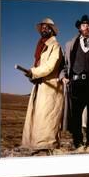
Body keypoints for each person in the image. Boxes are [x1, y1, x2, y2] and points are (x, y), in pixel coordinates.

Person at [60, 14, 89, 150]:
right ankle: (77, 141)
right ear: (79, 28)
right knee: (76, 114)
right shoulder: (69, 45)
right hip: (75, 83)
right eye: (84, 25)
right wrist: (63, 77)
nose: (87, 27)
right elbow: (63, 65)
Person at [21, 18, 64, 153]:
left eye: (47, 27)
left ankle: (47, 146)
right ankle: (35, 145)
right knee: (38, 116)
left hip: (51, 87)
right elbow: (39, 65)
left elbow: (50, 66)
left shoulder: (55, 46)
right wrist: (32, 74)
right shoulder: (41, 45)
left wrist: (33, 72)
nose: (44, 29)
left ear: (52, 30)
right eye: (42, 27)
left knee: (48, 117)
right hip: (41, 84)